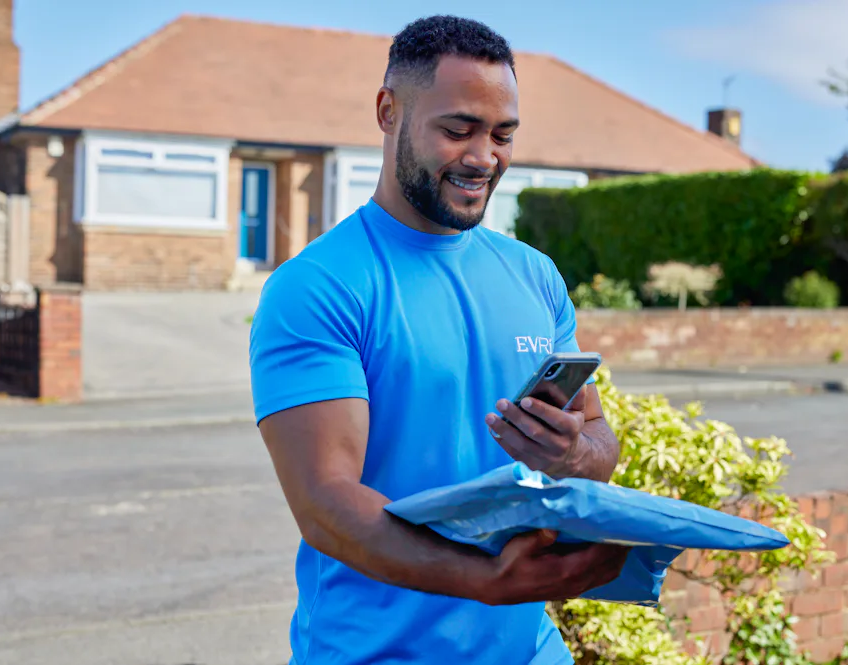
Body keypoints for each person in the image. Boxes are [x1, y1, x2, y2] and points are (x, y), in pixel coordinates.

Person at [250, 14, 630, 665]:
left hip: (530, 650)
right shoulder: (318, 287)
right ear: (388, 110)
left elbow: (599, 440)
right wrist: (481, 580)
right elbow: (324, 503)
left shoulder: (535, 276)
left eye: (502, 134)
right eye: (458, 130)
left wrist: (572, 453)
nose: (484, 157)